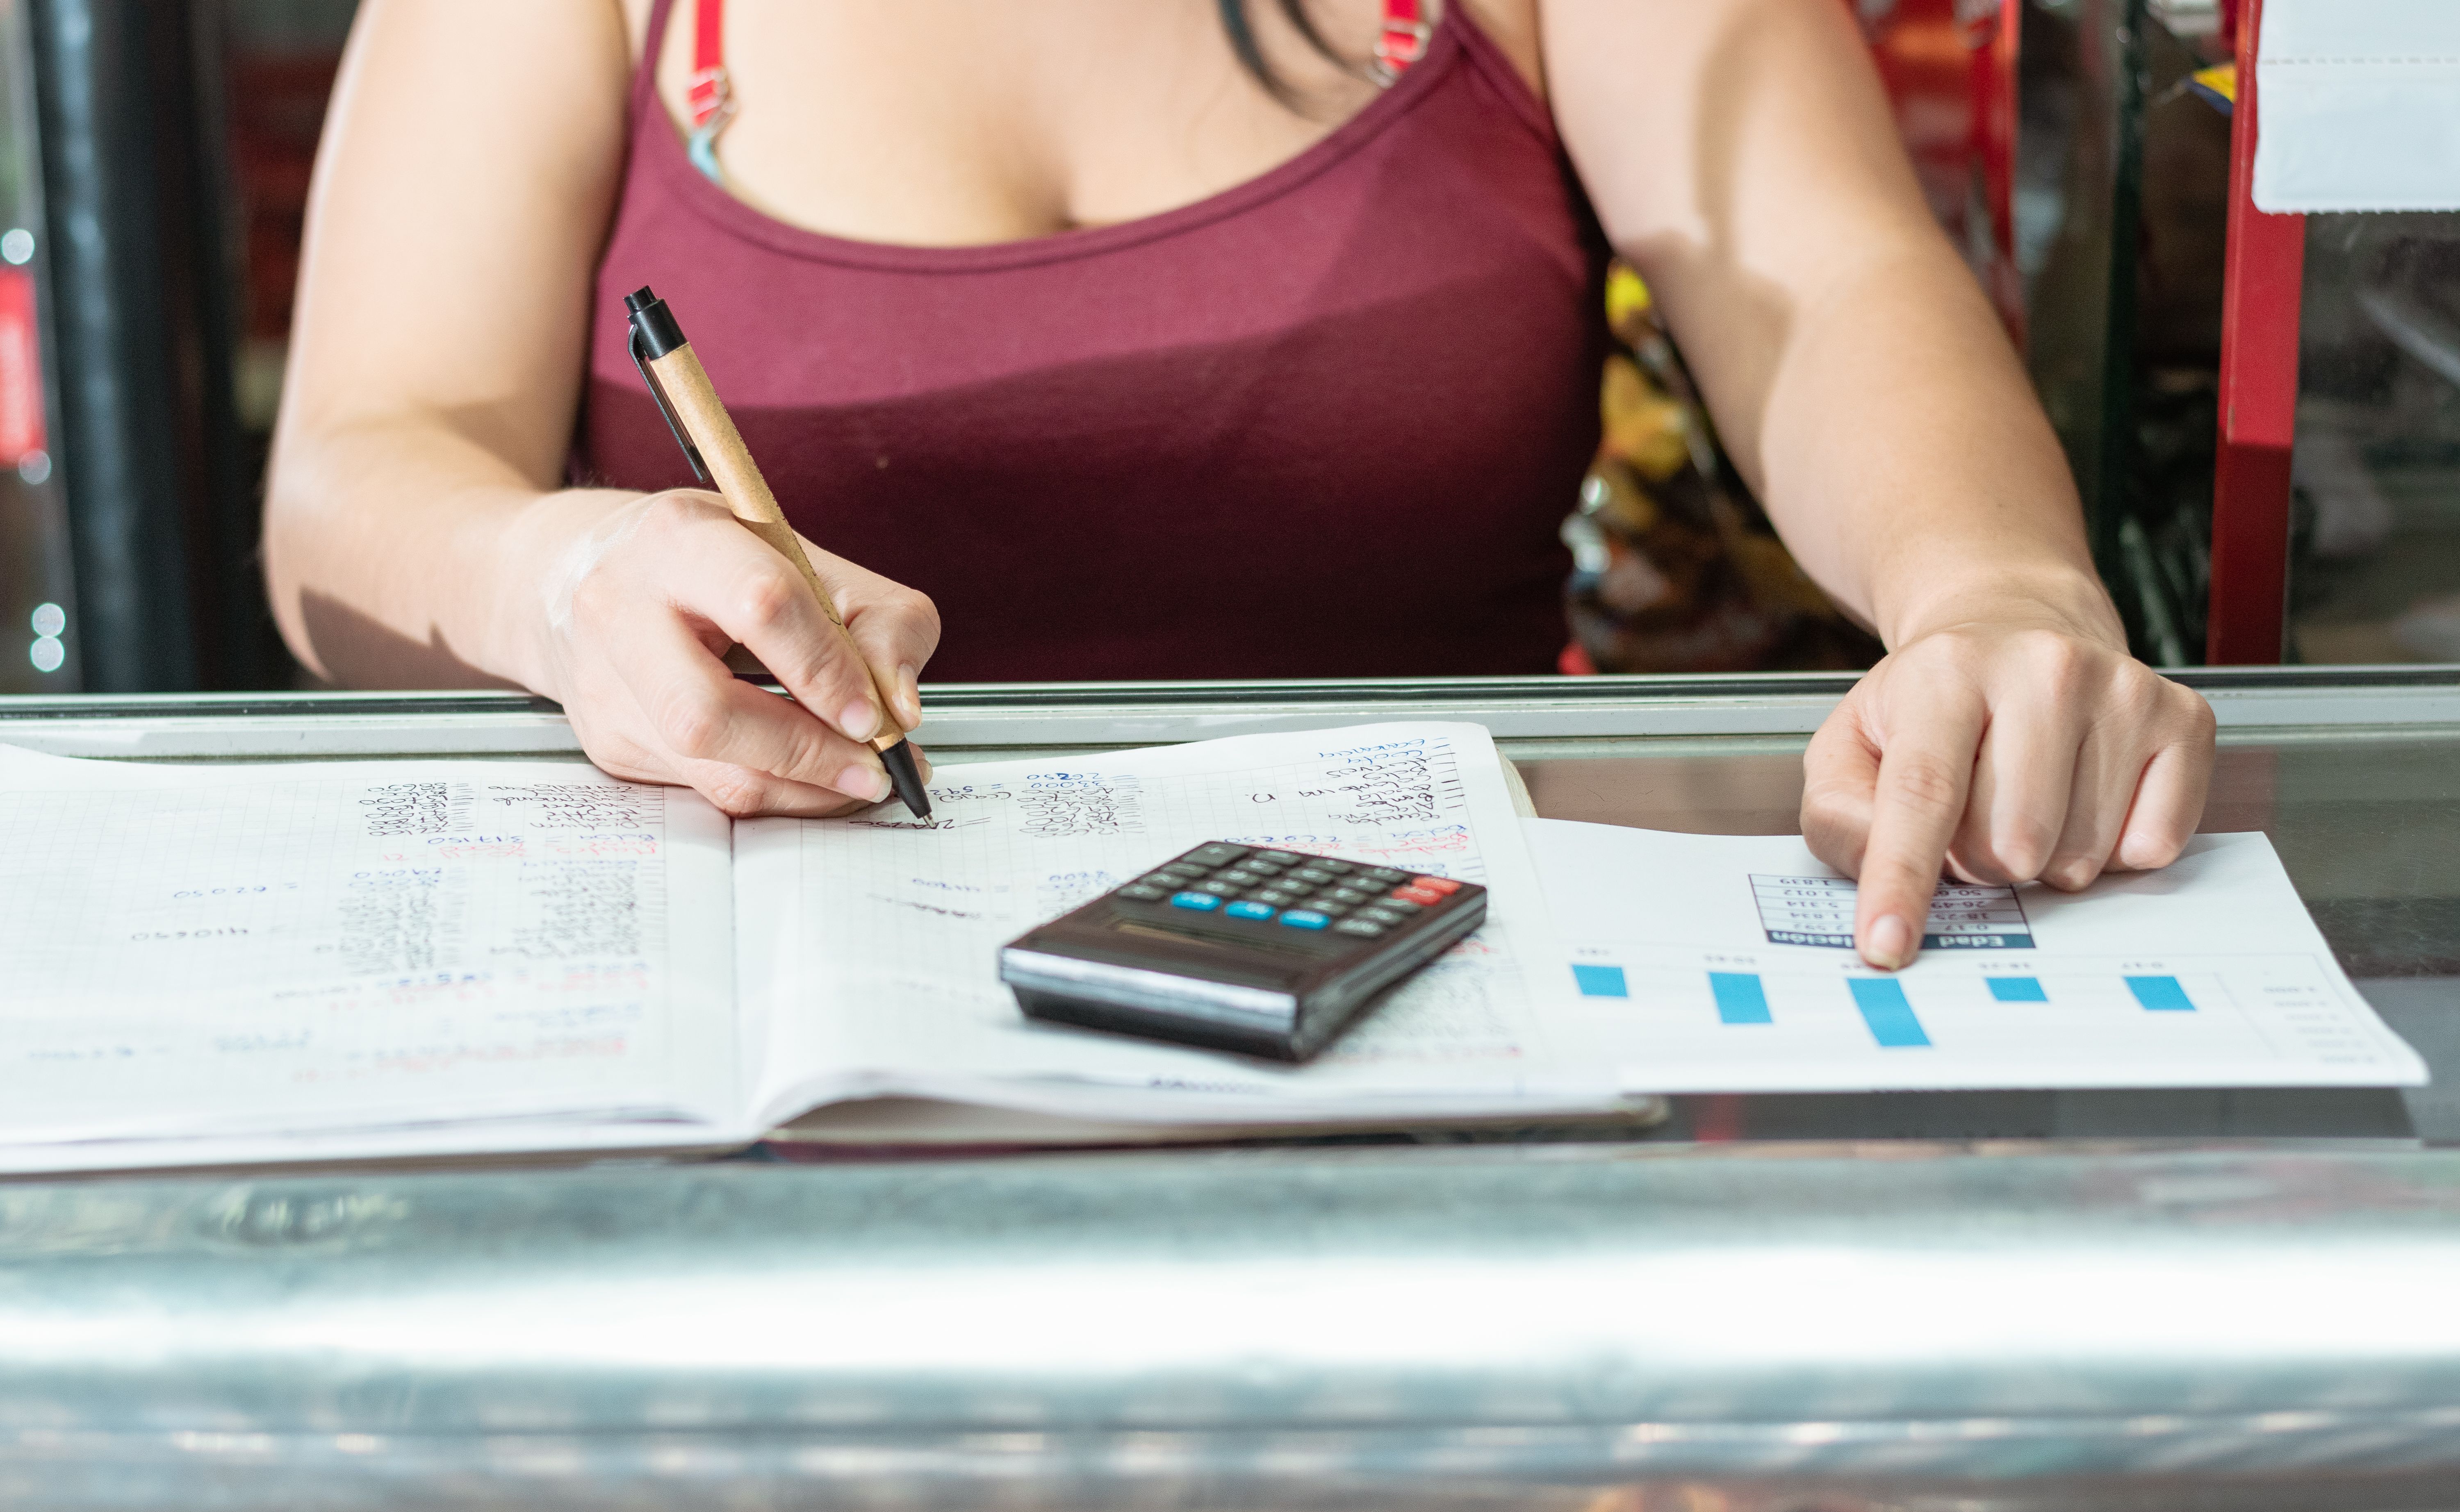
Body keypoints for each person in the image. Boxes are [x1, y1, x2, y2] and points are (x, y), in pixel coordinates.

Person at [263, 0, 2215, 972]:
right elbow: (360, 477)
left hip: (1430, 1016)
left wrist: (1994, 600)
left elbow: (1834, 275)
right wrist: (563, 579)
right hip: (772, 1083)